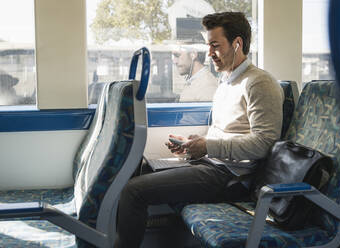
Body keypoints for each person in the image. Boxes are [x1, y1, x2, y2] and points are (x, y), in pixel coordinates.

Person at [115, 12, 284, 248]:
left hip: (232, 176)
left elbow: (264, 143)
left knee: (134, 192)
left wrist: (208, 145)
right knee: (138, 169)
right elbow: (228, 133)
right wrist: (196, 145)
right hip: (212, 163)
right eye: (208, 46)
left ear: (237, 44)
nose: (210, 54)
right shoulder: (226, 82)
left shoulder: (259, 83)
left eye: (215, 45)